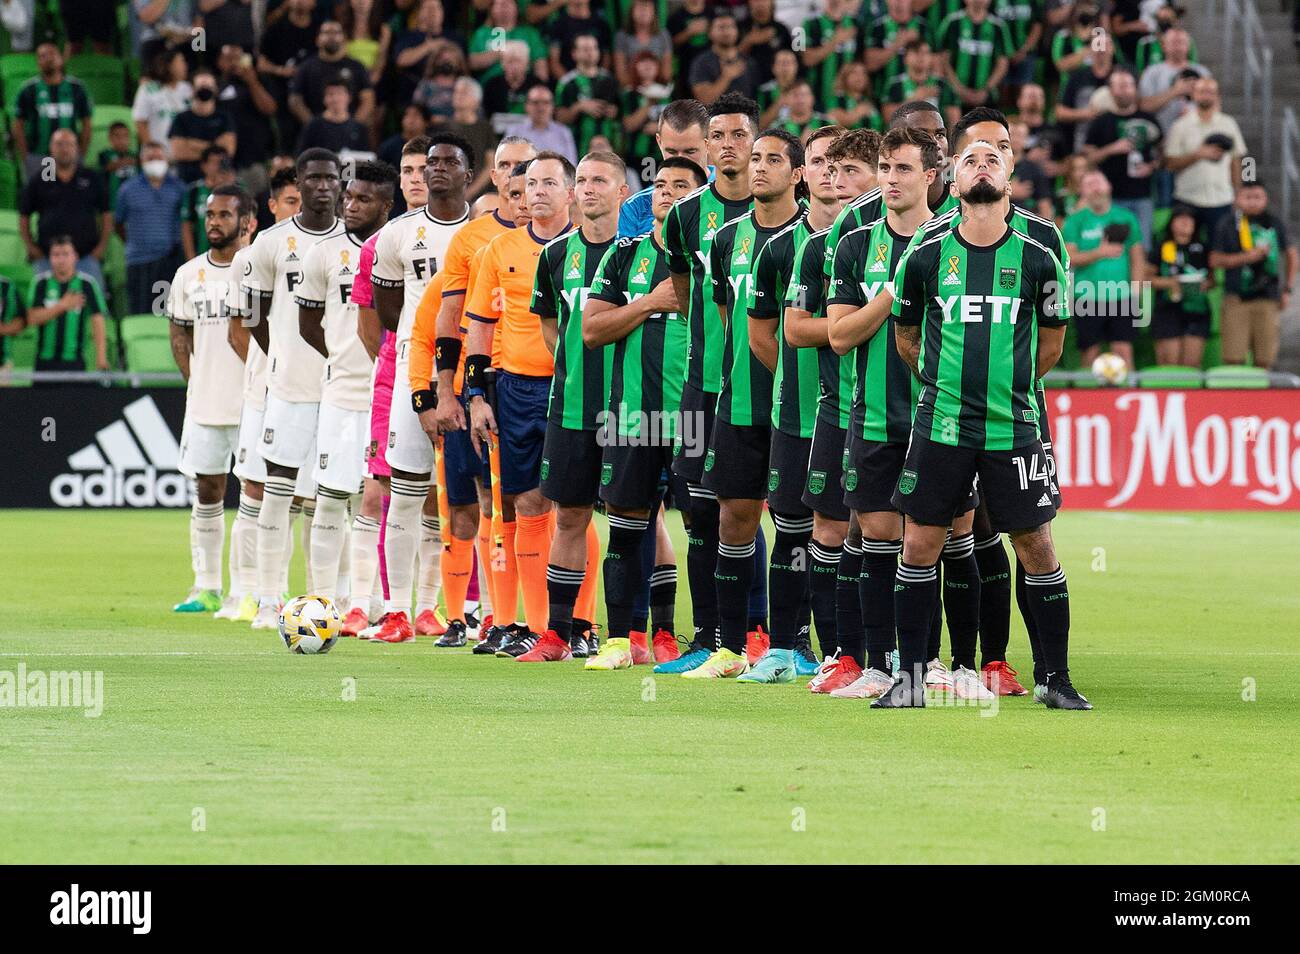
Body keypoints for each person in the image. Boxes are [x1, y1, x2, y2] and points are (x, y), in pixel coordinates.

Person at [885, 137, 1088, 710]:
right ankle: (912, 680)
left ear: (1009, 176)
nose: (981, 166)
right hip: (941, 426)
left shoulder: (1037, 257)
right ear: (953, 179)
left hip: (1013, 429)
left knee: (1036, 545)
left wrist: (1009, 387)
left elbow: (1051, 344)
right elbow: (906, 335)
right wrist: (941, 382)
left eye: (991, 159)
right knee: (920, 543)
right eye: (970, 159)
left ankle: (1056, 679)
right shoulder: (923, 256)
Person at [825, 125, 944, 699]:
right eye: (887, 169)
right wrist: (891, 295)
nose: (892, 180)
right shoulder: (856, 245)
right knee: (877, 534)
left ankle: (938, 663)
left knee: (933, 538)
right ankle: (879, 662)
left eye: (903, 169)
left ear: (931, 176)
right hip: (872, 414)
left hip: (938, 416)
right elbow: (840, 336)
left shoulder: (951, 240)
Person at [582, 156, 707, 668]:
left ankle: (709, 639)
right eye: (660, 184)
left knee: (708, 526)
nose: (667, 193)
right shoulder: (622, 255)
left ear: (700, 200)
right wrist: (649, 304)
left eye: (681, 186)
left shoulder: (711, 258)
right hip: (630, 415)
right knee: (627, 524)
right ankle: (623, 639)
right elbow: (592, 330)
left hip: (693, 415)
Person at [738, 125, 848, 683]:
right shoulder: (781, 248)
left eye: (840, 163)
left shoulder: (873, 243)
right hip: (798, 413)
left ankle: (846, 651)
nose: (831, 172)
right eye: (822, 162)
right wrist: (795, 384)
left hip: (860, 415)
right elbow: (763, 335)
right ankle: (785, 646)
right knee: (791, 527)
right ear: (806, 173)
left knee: (857, 531)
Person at [660, 92, 763, 676]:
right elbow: (683, 291)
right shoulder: (684, 216)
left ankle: (767, 635)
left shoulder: (784, 212)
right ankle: (709, 635)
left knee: (768, 510)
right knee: (701, 512)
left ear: (755, 142)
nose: (728, 145)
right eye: (718, 135)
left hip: (768, 383)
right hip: (704, 384)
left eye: (738, 135)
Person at [513, 151, 628, 663]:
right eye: (581, 180)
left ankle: (640, 635)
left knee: (634, 516)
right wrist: (574, 368)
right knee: (568, 516)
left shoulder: (643, 254)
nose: (588, 188)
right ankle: (558, 634)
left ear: (623, 191)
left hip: (631, 409)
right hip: (572, 406)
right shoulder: (556, 256)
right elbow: (549, 328)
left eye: (600, 180)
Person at [425, 135, 537, 652]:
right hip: (488, 383)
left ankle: (559, 622)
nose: (518, 179)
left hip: (546, 385)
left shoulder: (570, 236)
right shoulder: (473, 241)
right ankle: (496, 619)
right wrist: (446, 391)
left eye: (528, 170)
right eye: (508, 168)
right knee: (482, 503)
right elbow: (445, 318)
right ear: (494, 176)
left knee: (555, 505)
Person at [464, 152, 575, 655]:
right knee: (527, 502)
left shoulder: (593, 248)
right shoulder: (498, 249)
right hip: (518, 389)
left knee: (576, 506)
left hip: (578, 385)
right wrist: (475, 395)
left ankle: (585, 626)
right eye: (531, 183)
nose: (539, 192)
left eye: (550, 182)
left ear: (570, 192)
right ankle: (537, 627)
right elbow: (479, 329)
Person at [786, 127, 880, 694]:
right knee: (829, 527)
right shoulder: (818, 249)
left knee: (903, 533)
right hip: (838, 406)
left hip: (902, 411)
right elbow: (795, 330)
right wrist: (854, 324)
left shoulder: (926, 240)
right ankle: (840, 654)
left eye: (852, 172)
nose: (837, 182)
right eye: (830, 171)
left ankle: (903, 656)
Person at [369, 134, 472, 643]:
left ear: (468, 175)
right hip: (418, 372)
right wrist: (417, 343)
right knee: (406, 492)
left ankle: (450, 609)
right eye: (431, 163)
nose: (436, 170)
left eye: (450, 162)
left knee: (468, 499)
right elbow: (388, 310)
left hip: (472, 374)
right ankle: (396, 612)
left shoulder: (484, 232)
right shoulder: (397, 233)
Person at [242, 148, 345, 632]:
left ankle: (331, 598)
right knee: (277, 494)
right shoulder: (270, 242)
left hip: (342, 389)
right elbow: (253, 315)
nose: (323, 186)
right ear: (298, 184)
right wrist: (282, 351)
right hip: (288, 386)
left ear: (340, 183)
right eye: (314, 178)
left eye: (331, 178)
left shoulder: (356, 241)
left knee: (332, 497)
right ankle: (267, 598)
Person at [338, 136, 435, 638]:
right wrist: (395, 364)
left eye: (426, 168)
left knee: (445, 498)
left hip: (453, 380)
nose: (418, 177)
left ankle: (437, 605)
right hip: (393, 380)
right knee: (378, 490)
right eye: (410, 170)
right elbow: (371, 323)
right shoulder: (384, 242)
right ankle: (364, 603)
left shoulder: (471, 232)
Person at [295, 160, 397, 609]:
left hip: (388, 394)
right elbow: (307, 323)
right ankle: (322, 600)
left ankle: (370, 599)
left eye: (363, 200)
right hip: (340, 393)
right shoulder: (323, 253)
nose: (350, 206)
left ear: (386, 206)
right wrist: (340, 357)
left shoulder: (394, 249)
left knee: (376, 501)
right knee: (331, 496)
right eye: (348, 197)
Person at [168, 185, 254, 614]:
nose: (214, 222)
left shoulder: (258, 269)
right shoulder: (187, 274)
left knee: (254, 495)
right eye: (209, 214)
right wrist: (194, 380)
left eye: (224, 214)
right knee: (207, 490)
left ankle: (246, 589)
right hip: (205, 403)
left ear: (247, 222)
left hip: (252, 402)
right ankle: (205, 587)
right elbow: (179, 332)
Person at [225, 168, 304, 624]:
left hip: (310, 390)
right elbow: (241, 331)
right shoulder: (252, 256)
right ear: (272, 206)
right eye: (289, 201)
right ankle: (251, 592)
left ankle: (310, 595)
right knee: (255, 489)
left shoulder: (325, 249)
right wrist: (276, 365)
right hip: (263, 390)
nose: (298, 208)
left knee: (309, 496)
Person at [1210, 183, 1298, 370]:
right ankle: (1235, 398)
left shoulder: (1274, 223)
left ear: (1265, 199)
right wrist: (1246, 257)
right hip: (1236, 298)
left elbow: (1291, 255)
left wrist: (1287, 289)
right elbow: (1214, 259)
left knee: (1265, 359)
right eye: (1247, 197)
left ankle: (1263, 399)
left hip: (1267, 297)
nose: (1252, 202)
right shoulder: (1227, 224)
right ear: (1237, 199)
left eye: (1257, 197)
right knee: (1233, 359)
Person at [1063, 168, 1144, 370]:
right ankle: (1088, 400)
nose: (1096, 188)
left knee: (1123, 351)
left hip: (1121, 295)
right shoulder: (1075, 221)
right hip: (1086, 296)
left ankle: (1129, 397)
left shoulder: (1126, 217)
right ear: (1082, 191)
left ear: (1109, 186)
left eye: (1099, 182)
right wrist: (1101, 251)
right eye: (1089, 185)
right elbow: (1069, 258)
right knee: (1090, 353)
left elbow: (1137, 258)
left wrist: (1136, 292)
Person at [20, 128, 110, 290]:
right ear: (51, 148)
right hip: (47, 259)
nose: (64, 148)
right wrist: (32, 248)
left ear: (77, 148)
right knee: (44, 309)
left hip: (86, 258)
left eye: (69, 144)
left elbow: (106, 214)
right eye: (59, 144)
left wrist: (100, 249)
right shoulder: (39, 180)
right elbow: (24, 216)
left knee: (94, 309)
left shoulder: (92, 177)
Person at [1083, 69, 1162, 249]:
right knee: (1112, 248)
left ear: (1135, 89)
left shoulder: (1148, 119)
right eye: (1119, 86)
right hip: (1110, 198)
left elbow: (1163, 156)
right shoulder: (1101, 122)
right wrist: (1112, 149)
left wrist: (1152, 166)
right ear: (1110, 90)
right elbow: (1088, 159)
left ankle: (1140, 279)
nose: (1124, 90)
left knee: (1142, 248)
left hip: (1143, 196)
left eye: (1127, 85)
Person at [1164, 77, 1246, 242]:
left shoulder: (1229, 123)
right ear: (1194, 95)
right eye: (1201, 91)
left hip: (1221, 199)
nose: (1206, 96)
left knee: (1220, 247)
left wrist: (1241, 191)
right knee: (1186, 248)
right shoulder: (1180, 125)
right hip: (1187, 199)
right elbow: (1169, 164)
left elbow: (1240, 160)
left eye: (1210, 92)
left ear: (1217, 96)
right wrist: (1197, 155)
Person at [618, 98, 711, 238]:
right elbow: (622, 259)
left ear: (708, 143)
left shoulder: (733, 197)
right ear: (659, 142)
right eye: (672, 152)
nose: (680, 160)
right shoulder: (637, 207)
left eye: (690, 152)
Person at [115, 141, 186, 315]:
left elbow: (186, 223)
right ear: (141, 160)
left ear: (167, 159)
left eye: (159, 157)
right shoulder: (127, 189)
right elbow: (118, 223)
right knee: (140, 311)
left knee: (167, 313)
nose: (155, 161)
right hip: (138, 260)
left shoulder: (180, 188)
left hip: (169, 261)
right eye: (150, 157)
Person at [24, 234, 108, 380]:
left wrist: (101, 358)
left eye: (65, 254)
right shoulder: (40, 283)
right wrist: (62, 306)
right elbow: (32, 318)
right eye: (56, 255)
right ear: (50, 258)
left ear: (75, 256)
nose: (61, 259)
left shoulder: (87, 284)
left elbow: (98, 320)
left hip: (75, 362)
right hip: (44, 362)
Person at [11, 41, 92, 181]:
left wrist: (80, 154)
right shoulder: (28, 90)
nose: (48, 58)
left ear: (61, 58)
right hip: (40, 156)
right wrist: (26, 156)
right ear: (37, 62)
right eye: (42, 56)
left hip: (69, 157)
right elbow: (18, 126)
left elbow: (86, 124)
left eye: (52, 54)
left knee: (70, 197)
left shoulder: (77, 88)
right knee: (43, 198)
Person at [1146, 205, 1212, 368]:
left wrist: (1205, 284)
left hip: (1197, 309)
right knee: (1169, 365)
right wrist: (1171, 282)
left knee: (1191, 365)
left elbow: (1212, 280)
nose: (1186, 222)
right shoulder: (1162, 247)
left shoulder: (1203, 248)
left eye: (1190, 219)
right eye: (1180, 218)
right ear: (1171, 223)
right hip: (1167, 308)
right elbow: (1148, 278)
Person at [288, 20, 376, 131]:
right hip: (316, 132)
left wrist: (352, 127)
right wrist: (314, 126)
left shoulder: (357, 67)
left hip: (350, 131)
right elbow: (295, 101)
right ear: (317, 40)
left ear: (344, 39)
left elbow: (368, 100)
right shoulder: (306, 67)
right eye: (326, 33)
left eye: (336, 33)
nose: (332, 36)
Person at [215, 43, 277, 193]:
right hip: (224, 163)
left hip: (254, 160)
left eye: (238, 58)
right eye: (229, 59)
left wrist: (252, 81)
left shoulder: (259, 81)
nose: (235, 63)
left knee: (257, 206)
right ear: (220, 62)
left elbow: (270, 109)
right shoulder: (216, 85)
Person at [555, 34, 621, 159]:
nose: (590, 52)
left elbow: (620, 114)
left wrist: (613, 112)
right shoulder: (567, 83)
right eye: (585, 49)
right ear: (574, 53)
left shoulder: (610, 79)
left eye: (594, 48)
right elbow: (559, 118)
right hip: (576, 148)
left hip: (607, 146)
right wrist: (579, 107)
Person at [936, 0, 1012, 108]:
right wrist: (959, 89)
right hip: (954, 96)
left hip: (987, 97)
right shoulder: (952, 22)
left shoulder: (998, 27)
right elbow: (942, 60)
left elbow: (1002, 64)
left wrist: (985, 90)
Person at [168, 71, 238, 184]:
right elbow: (179, 153)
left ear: (215, 89)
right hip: (188, 180)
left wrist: (192, 144)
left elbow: (228, 150)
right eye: (201, 86)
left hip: (219, 182)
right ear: (192, 90)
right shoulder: (181, 118)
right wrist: (213, 147)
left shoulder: (224, 117)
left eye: (208, 86)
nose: (204, 90)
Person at [881, 39, 960, 126]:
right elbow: (889, 120)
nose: (921, 57)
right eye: (916, 52)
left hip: (933, 139)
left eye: (926, 53)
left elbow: (954, 122)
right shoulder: (894, 85)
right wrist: (915, 98)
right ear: (905, 58)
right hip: (904, 138)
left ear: (931, 58)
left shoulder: (942, 84)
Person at [467, 0, 548, 84]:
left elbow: (540, 65)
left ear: (517, 8)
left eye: (508, 2)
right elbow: (471, 63)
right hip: (489, 88)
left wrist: (541, 87)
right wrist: (502, 52)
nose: (503, 6)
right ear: (491, 9)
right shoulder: (482, 33)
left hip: (524, 88)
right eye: (498, 4)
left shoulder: (530, 33)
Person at [132, 49, 191, 162]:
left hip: (182, 156)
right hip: (157, 155)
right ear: (169, 65)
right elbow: (140, 122)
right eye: (181, 61)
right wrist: (152, 151)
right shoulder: (148, 89)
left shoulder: (188, 89)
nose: (185, 65)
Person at [689, 12, 761, 104]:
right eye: (721, 27)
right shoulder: (701, 63)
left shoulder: (749, 62)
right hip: (714, 117)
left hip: (745, 117)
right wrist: (726, 78)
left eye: (731, 27)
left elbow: (757, 100)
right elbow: (704, 101)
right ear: (710, 33)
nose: (727, 32)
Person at [802, 0, 861, 111]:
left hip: (847, 100)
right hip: (817, 97)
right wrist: (835, 41)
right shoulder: (810, 23)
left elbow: (860, 62)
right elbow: (806, 60)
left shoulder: (855, 24)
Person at [181, 146, 237, 261]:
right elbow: (186, 226)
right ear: (204, 166)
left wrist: (230, 188)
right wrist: (191, 259)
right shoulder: (193, 191)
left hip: (232, 257)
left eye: (222, 162)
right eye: (214, 163)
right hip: (201, 254)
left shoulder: (237, 189)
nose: (218, 167)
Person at [503, 86, 577, 165]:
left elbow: (571, 166)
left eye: (546, 103)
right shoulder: (514, 132)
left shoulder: (563, 132)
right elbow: (506, 164)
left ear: (552, 106)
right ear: (526, 106)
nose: (541, 108)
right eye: (535, 103)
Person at [295, 80, 372, 156]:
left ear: (349, 97)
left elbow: (366, 158)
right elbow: (301, 156)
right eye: (330, 94)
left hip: (350, 168)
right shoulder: (313, 126)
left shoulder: (359, 128)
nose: (335, 99)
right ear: (324, 99)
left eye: (340, 93)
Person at [615, 0, 674, 88]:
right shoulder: (622, 36)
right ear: (632, 12)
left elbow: (667, 71)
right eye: (640, 9)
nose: (644, 13)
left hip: (658, 87)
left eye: (647, 9)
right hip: (632, 87)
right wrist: (639, 85)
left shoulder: (663, 35)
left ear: (654, 13)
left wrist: (653, 84)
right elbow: (620, 72)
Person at [481, 40, 546, 119]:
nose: (514, 66)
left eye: (518, 61)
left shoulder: (537, 85)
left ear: (527, 64)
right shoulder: (492, 85)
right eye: (510, 61)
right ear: (502, 64)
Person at [548, 0, 612, 79]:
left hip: (597, 81)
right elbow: (554, 62)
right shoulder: (558, 25)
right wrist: (572, 84)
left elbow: (606, 58)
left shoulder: (601, 24)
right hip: (569, 82)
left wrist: (598, 81)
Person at [737, 0, 793, 83]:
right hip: (746, 82)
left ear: (771, 2)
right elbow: (729, 59)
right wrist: (748, 41)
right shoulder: (739, 27)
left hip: (775, 83)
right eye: (756, 0)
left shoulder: (781, 29)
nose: (760, 3)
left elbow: (791, 58)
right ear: (749, 2)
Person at [98, 121, 139, 212]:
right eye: (117, 136)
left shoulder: (135, 156)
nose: (122, 140)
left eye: (125, 136)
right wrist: (123, 162)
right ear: (110, 138)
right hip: (112, 202)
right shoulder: (105, 154)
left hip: (133, 201)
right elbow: (105, 168)